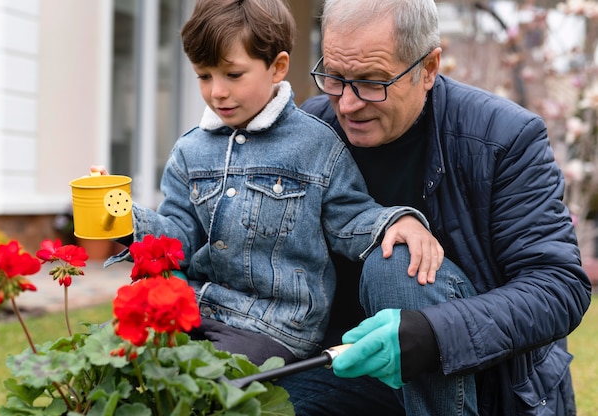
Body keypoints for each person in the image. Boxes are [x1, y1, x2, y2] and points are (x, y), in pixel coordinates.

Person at [276, 0, 593, 415]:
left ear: (428, 68)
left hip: (474, 381)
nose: (348, 104)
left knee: (397, 263)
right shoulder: (310, 131)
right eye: (335, 77)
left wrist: (431, 335)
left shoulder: (503, 139)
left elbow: (558, 287)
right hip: (339, 366)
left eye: (372, 82)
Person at [99, 0, 442, 366]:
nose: (217, 91)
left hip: (274, 325)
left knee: (211, 378)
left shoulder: (315, 144)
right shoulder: (189, 150)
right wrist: (123, 216)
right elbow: (177, 236)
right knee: (121, 361)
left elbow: (351, 217)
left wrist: (396, 221)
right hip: (198, 308)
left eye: (233, 75)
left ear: (277, 67)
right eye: (204, 75)